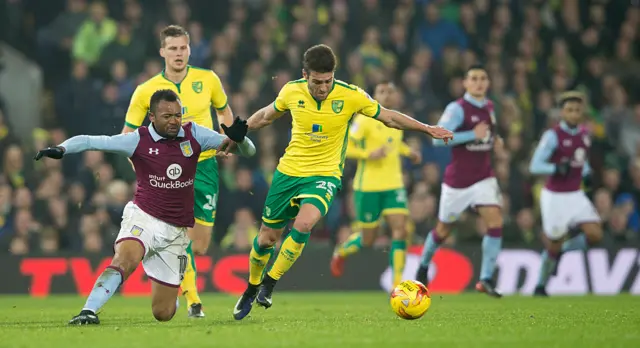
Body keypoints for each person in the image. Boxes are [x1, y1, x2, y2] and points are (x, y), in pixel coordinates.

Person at [232, 44, 453, 320]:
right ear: (305, 75)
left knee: (304, 223)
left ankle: (270, 283)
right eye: (316, 82)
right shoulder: (291, 90)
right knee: (266, 239)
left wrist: (426, 128)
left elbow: (390, 117)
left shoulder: (351, 95)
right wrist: (242, 129)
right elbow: (266, 115)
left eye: (327, 81)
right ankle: (252, 287)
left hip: (325, 174)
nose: (323, 88)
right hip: (288, 172)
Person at [34, 89, 255, 325]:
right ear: (152, 116)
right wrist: (62, 149)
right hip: (143, 217)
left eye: (177, 115)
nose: (174, 121)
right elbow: (91, 141)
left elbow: (248, 152)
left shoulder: (195, 135)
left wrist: (241, 139)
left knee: (163, 313)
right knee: (125, 259)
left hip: (175, 232)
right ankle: (88, 311)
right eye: (167, 116)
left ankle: (170, 291)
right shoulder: (137, 140)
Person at [122, 25, 234, 317]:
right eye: (172, 49)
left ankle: (165, 265)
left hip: (205, 165)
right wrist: (146, 170)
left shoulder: (208, 79)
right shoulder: (146, 91)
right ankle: (193, 301)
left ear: (189, 49)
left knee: (200, 246)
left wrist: (228, 139)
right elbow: (128, 136)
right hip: (170, 170)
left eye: (183, 48)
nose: (178, 54)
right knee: (179, 236)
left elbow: (224, 113)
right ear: (162, 52)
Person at [415, 65, 504, 298]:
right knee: (443, 230)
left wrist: (496, 142)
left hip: (484, 177)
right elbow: (437, 139)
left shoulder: (490, 106)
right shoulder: (457, 109)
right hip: (458, 182)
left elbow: (487, 134)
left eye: (483, 78)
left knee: (494, 222)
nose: (479, 83)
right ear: (465, 83)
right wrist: (471, 135)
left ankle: (485, 278)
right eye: (473, 78)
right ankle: (423, 265)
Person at [329, 81, 422, 287]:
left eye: (391, 91)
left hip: (393, 184)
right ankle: (341, 251)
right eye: (382, 91)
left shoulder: (396, 119)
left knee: (401, 230)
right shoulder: (364, 120)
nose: (387, 95)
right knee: (368, 239)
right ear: (374, 95)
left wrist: (409, 152)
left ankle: (397, 285)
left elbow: (394, 144)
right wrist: (367, 154)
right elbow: (345, 146)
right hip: (368, 186)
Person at [529, 91, 602, 297]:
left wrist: (586, 173)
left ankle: (563, 251)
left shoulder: (584, 135)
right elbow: (535, 166)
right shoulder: (552, 135)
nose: (573, 114)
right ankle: (540, 286)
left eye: (577, 110)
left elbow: (581, 160)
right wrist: (555, 168)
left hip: (575, 194)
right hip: (555, 196)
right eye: (569, 110)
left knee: (595, 234)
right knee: (553, 243)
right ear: (562, 112)